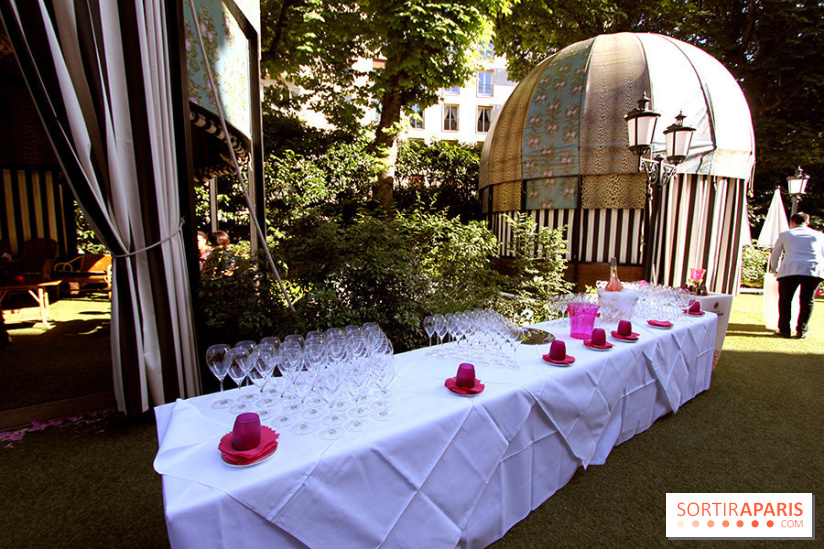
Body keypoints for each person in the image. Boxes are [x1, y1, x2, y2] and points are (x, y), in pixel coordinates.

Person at [769, 212, 824, 338]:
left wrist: (775, 269)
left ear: (792, 222)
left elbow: (776, 253)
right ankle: (802, 329)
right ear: (808, 222)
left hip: (790, 269)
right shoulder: (819, 235)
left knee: (785, 300)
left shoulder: (785, 234)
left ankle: (784, 329)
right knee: (807, 300)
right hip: (813, 270)